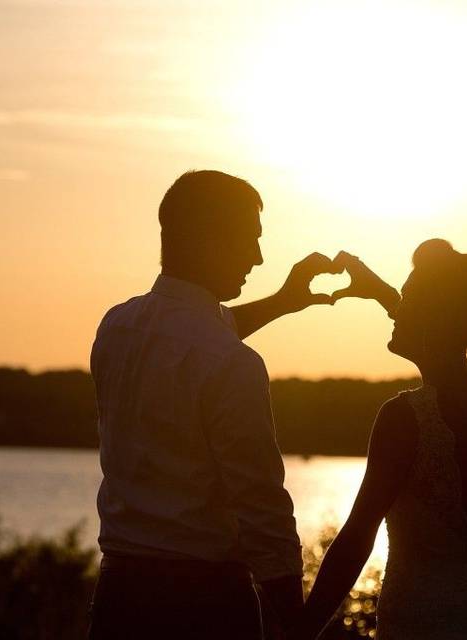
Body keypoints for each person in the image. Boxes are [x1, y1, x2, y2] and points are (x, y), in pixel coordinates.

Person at [87, 170, 341, 639]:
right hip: (206, 604)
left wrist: (284, 302)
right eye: (249, 239)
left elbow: (191, 337)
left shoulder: (116, 328)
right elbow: (261, 503)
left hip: (118, 598)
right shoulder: (233, 363)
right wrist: (295, 621)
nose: (259, 257)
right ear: (207, 241)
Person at [294, 239, 467, 639]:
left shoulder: (405, 418)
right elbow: (441, 336)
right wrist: (379, 289)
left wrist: (299, 631)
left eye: (408, 298)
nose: (396, 312)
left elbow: (356, 539)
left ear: (434, 318)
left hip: (423, 625)